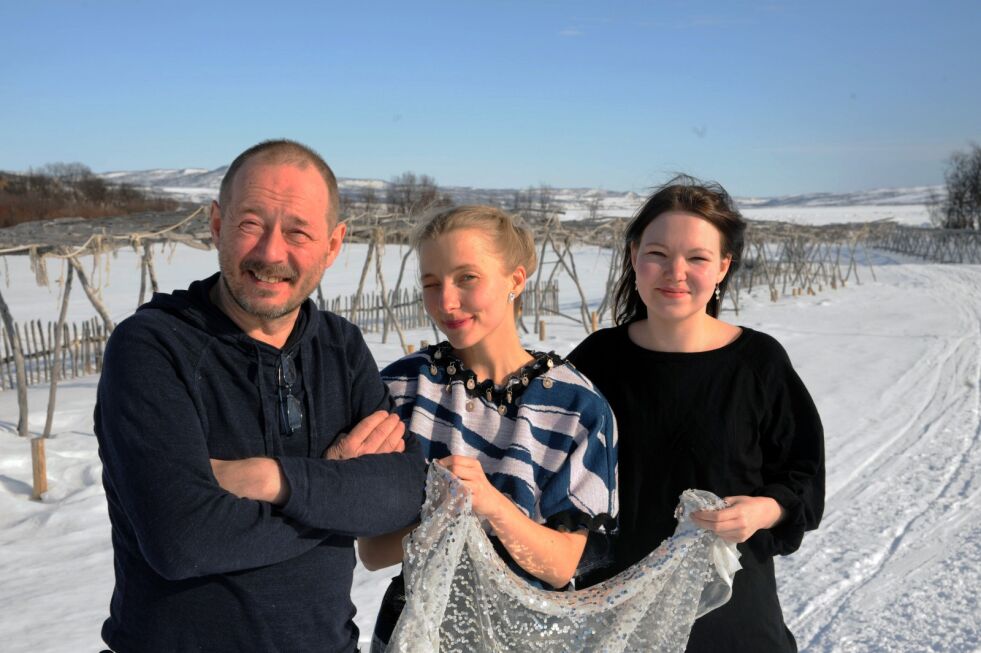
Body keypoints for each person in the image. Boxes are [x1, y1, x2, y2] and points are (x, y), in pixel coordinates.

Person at [94, 139, 426, 653]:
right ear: (217, 225)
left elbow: (404, 493)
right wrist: (338, 481)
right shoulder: (154, 348)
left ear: (333, 245)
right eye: (251, 223)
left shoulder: (341, 347)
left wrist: (273, 478)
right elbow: (184, 541)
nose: (271, 253)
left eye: (298, 231)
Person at [568, 176, 825, 652]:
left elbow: (803, 476)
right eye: (658, 254)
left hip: (731, 617)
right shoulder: (595, 361)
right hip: (616, 614)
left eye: (698, 258)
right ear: (633, 257)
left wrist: (763, 509)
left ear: (724, 266)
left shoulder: (758, 363)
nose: (675, 272)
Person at [357, 205, 618, 651]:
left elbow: (563, 566)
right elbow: (373, 552)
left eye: (467, 278)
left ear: (515, 281)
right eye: (431, 284)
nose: (446, 301)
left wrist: (493, 508)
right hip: (414, 636)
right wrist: (441, 512)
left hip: (527, 638)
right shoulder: (405, 388)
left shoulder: (576, 407)